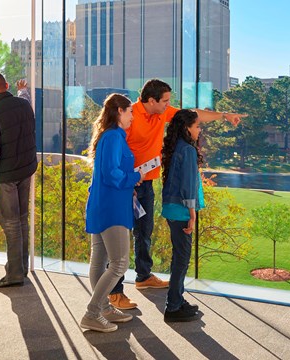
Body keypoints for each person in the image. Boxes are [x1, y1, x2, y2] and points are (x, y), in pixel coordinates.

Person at [107, 79, 245, 310]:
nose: (168, 105)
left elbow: (193, 114)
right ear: (151, 101)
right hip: (126, 185)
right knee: (120, 239)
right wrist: (124, 180)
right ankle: (115, 291)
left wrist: (224, 115)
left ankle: (143, 276)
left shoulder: (162, 113)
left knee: (145, 232)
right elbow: (115, 148)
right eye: (165, 101)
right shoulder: (131, 116)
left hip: (146, 183)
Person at [80, 94, 144, 332]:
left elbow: (108, 173)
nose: (132, 116)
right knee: (119, 263)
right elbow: (112, 174)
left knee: (100, 259)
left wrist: (130, 182)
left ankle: (104, 308)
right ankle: (93, 312)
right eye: (130, 112)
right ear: (119, 111)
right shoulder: (114, 137)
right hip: (112, 207)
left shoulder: (108, 136)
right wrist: (136, 177)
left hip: (102, 204)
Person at [0, 72, 38, 288]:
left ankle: (13, 274)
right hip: (25, 171)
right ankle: (21, 268)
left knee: (11, 224)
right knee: (22, 220)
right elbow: (25, 98)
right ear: (6, 85)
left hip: (5, 177)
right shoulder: (24, 106)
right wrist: (22, 89)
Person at [161, 109, 204, 322]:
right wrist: (192, 215)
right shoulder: (187, 150)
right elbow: (188, 186)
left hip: (172, 208)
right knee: (182, 259)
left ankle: (177, 299)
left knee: (179, 256)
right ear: (187, 128)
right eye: (197, 126)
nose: (199, 130)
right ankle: (173, 307)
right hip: (181, 211)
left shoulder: (176, 148)